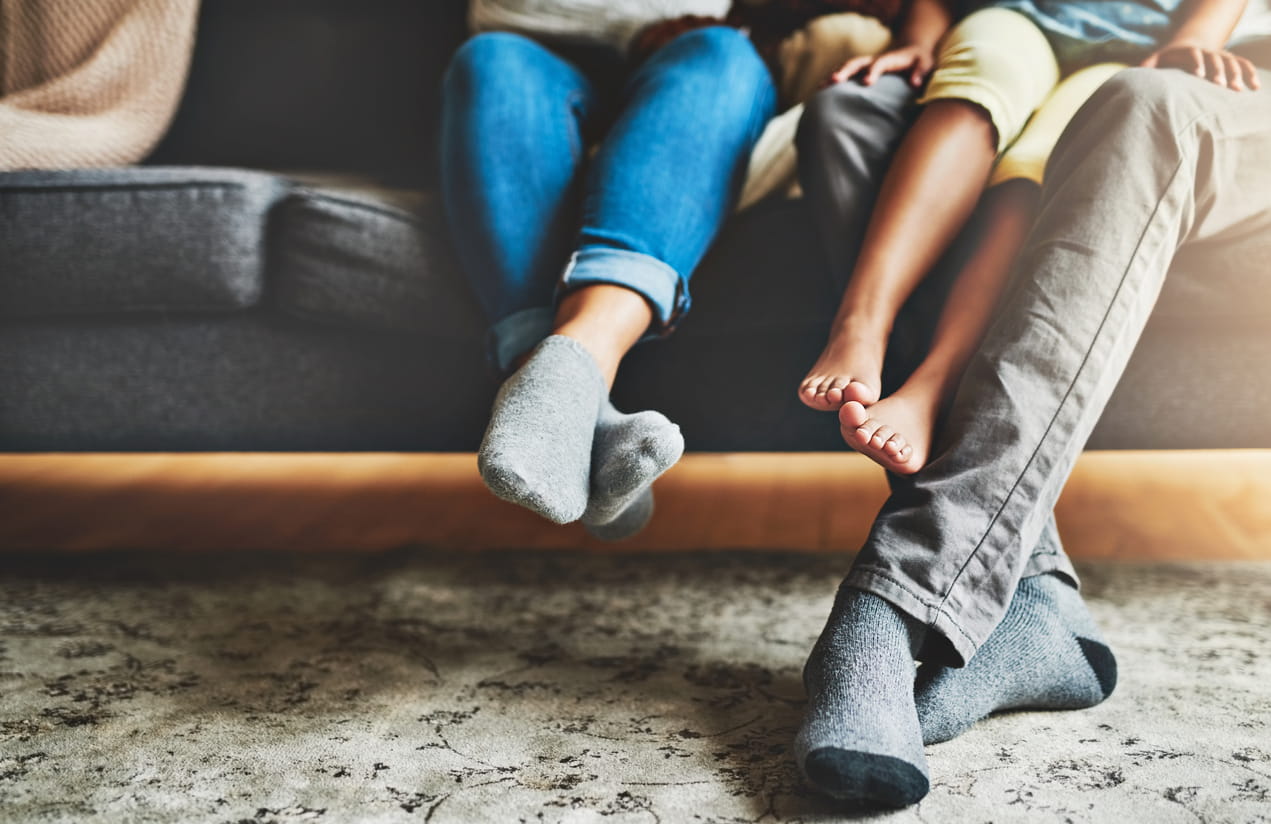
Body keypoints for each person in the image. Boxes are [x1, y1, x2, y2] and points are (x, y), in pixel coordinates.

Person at [789, 9, 1271, 808]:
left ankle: (888, 605)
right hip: (1025, 35)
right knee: (848, 116)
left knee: (1143, 102)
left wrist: (1203, 34)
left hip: (1233, 64)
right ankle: (1035, 599)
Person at [795, 0, 1257, 477]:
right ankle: (859, 328)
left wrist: (1197, 37)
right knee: (978, 84)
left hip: (1138, 46)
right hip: (1013, 14)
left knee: (1044, 163)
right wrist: (918, 40)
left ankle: (932, 390)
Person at [440, 1, 777, 540]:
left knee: (722, 55)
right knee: (493, 60)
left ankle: (560, 399)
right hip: (528, 46)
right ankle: (591, 431)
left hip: (694, 45)